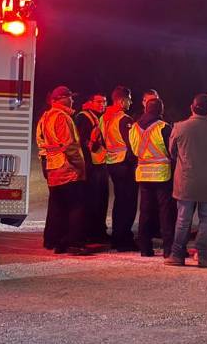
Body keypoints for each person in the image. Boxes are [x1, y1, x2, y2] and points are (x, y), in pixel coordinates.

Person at [165, 94, 207, 268]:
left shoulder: (179, 128)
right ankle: (204, 257)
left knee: (183, 220)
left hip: (185, 182)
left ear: (192, 107)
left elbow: (171, 152)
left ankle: (177, 255)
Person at [35, 86, 88, 255]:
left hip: (52, 167)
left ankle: (54, 241)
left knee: (57, 207)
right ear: (61, 99)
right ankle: (74, 243)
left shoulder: (45, 117)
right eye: (70, 97)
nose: (72, 100)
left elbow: (41, 142)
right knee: (75, 206)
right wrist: (80, 166)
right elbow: (70, 145)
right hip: (67, 167)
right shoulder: (62, 117)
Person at [129, 98, 176, 258]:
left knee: (145, 211)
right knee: (166, 212)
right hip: (162, 174)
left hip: (143, 173)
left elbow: (134, 150)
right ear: (160, 110)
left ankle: (145, 248)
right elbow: (172, 151)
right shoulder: (164, 127)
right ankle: (168, 249)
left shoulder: (134, 127)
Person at [101, 86, 140, 252]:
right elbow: (132, 144)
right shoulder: (125, 119)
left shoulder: (105, 117)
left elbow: (102, 140)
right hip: (125, 164)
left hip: (112, 163)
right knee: (128, 203)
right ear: (122, 100)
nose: (131, 102)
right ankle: (124, 239)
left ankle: (117, 236)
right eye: (129, 99)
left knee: (119, 201)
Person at [74, 93, 110, 244]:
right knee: (93, 201)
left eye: (105, 101)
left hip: (98, 164)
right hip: (91, 167)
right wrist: (93, 144)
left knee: (101, 200)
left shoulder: (95, 117)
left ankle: (98, 231)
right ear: (89, 102)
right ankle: (93, 233)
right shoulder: (83, 117)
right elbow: (83, 143)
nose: (103, 104)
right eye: (99, 101)